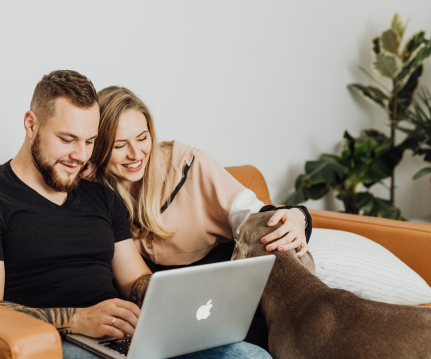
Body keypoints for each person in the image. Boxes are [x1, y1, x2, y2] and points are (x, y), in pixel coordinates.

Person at [0, 71, 271, 359]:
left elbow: (133, 280)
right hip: (54, 342)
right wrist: (79, 320)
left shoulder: (102, 198)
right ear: (31, 124)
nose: (79, 156)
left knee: (249, 355)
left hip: (123, 338)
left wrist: (179, 301)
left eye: (89, 142)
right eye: (67, 139)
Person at [85, 86, 313, 351]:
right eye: (119, 145)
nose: (136, 154)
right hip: (170, 316)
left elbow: (255, 216)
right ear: (98, 148)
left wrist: (299, 216)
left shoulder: (189, 166)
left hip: (228, 297)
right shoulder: (94, 191)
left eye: (142, 137)